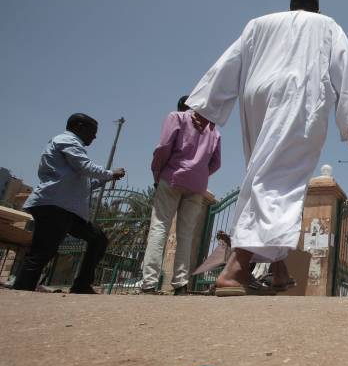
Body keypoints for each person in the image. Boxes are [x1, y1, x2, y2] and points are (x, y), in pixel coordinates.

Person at [185, 0, 348, 296]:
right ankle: (235, 268)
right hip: (299, 97)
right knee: (279, 179)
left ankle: (279, 272)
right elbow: (345, 69)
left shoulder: (259, 24)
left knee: (263, 171)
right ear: (316, 6)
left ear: (291, 3)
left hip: (256, 97)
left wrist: (206, 105)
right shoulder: (327, 25)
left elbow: (231, 61)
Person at [14, 113, 125, 293]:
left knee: (98, 239)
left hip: (67, 210)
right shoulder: (66, 140)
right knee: (42, 252)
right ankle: (22, 290)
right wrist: (110, 173)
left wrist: (107, 178)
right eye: (92, 131)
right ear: (79, 127)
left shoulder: (71, 146)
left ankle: (82, 284)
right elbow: (84, 166)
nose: (94, 136)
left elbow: (85, 183)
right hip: (54, 205)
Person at [139, 95, 221, 295]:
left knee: (159, 228)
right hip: (197, 185)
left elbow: (163, 147)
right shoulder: (213, 130)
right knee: (186, 234)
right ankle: (181, 284)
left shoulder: (176, 117)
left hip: (172, 177)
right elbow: (216, 163)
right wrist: (199, 173)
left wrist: (157, 173)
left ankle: (149, 283)